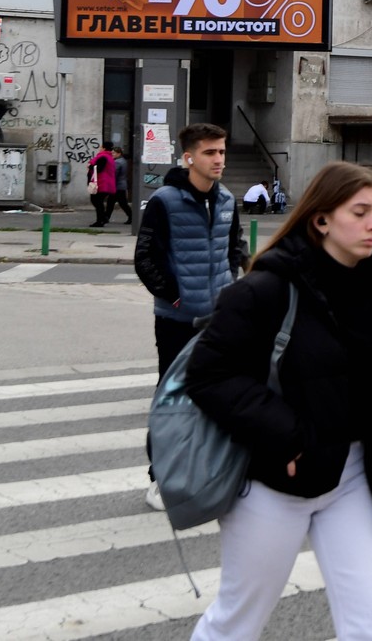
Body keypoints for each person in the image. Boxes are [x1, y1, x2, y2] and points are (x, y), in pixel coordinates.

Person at [184, 161, 372, 639]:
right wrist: (286, 436)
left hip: (357, 479)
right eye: (360, 212)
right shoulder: (265, 289)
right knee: (239, 620)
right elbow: (209, 374)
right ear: (321, 219)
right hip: (274, 482)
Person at [134, 123, 248, 511]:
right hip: (176, 321)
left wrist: (233, 287)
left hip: (218, 321)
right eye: (210, 152)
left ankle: (210, 472)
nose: (218, 159)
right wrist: (175, 297)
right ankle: (160, 477)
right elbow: (144, 258)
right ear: (189, 157)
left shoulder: (228, 199)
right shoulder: (164, 201)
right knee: (172, 399)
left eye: (221, 151)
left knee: (218, 397)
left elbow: (236, 247)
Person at [87, 143, 117, 228]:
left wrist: (90, 166)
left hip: (102, 183)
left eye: (100, 147)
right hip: (106, 183)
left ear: (104, 148)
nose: (99, 148)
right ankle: (102, 218)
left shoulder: (103, 157)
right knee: (97, 201)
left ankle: (100, 220)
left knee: (96, 201)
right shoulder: (110, 157)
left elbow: (98, 168)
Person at [110, 146, 132, 225]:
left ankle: (131, 216)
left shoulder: (117, 162)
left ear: (118, 153)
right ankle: (106, 217)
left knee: (122, 203)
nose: (112, 154)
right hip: (121, 184)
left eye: (114, 153)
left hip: (118, 185)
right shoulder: (123, 161)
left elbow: (115, 174)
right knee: (111, 202)